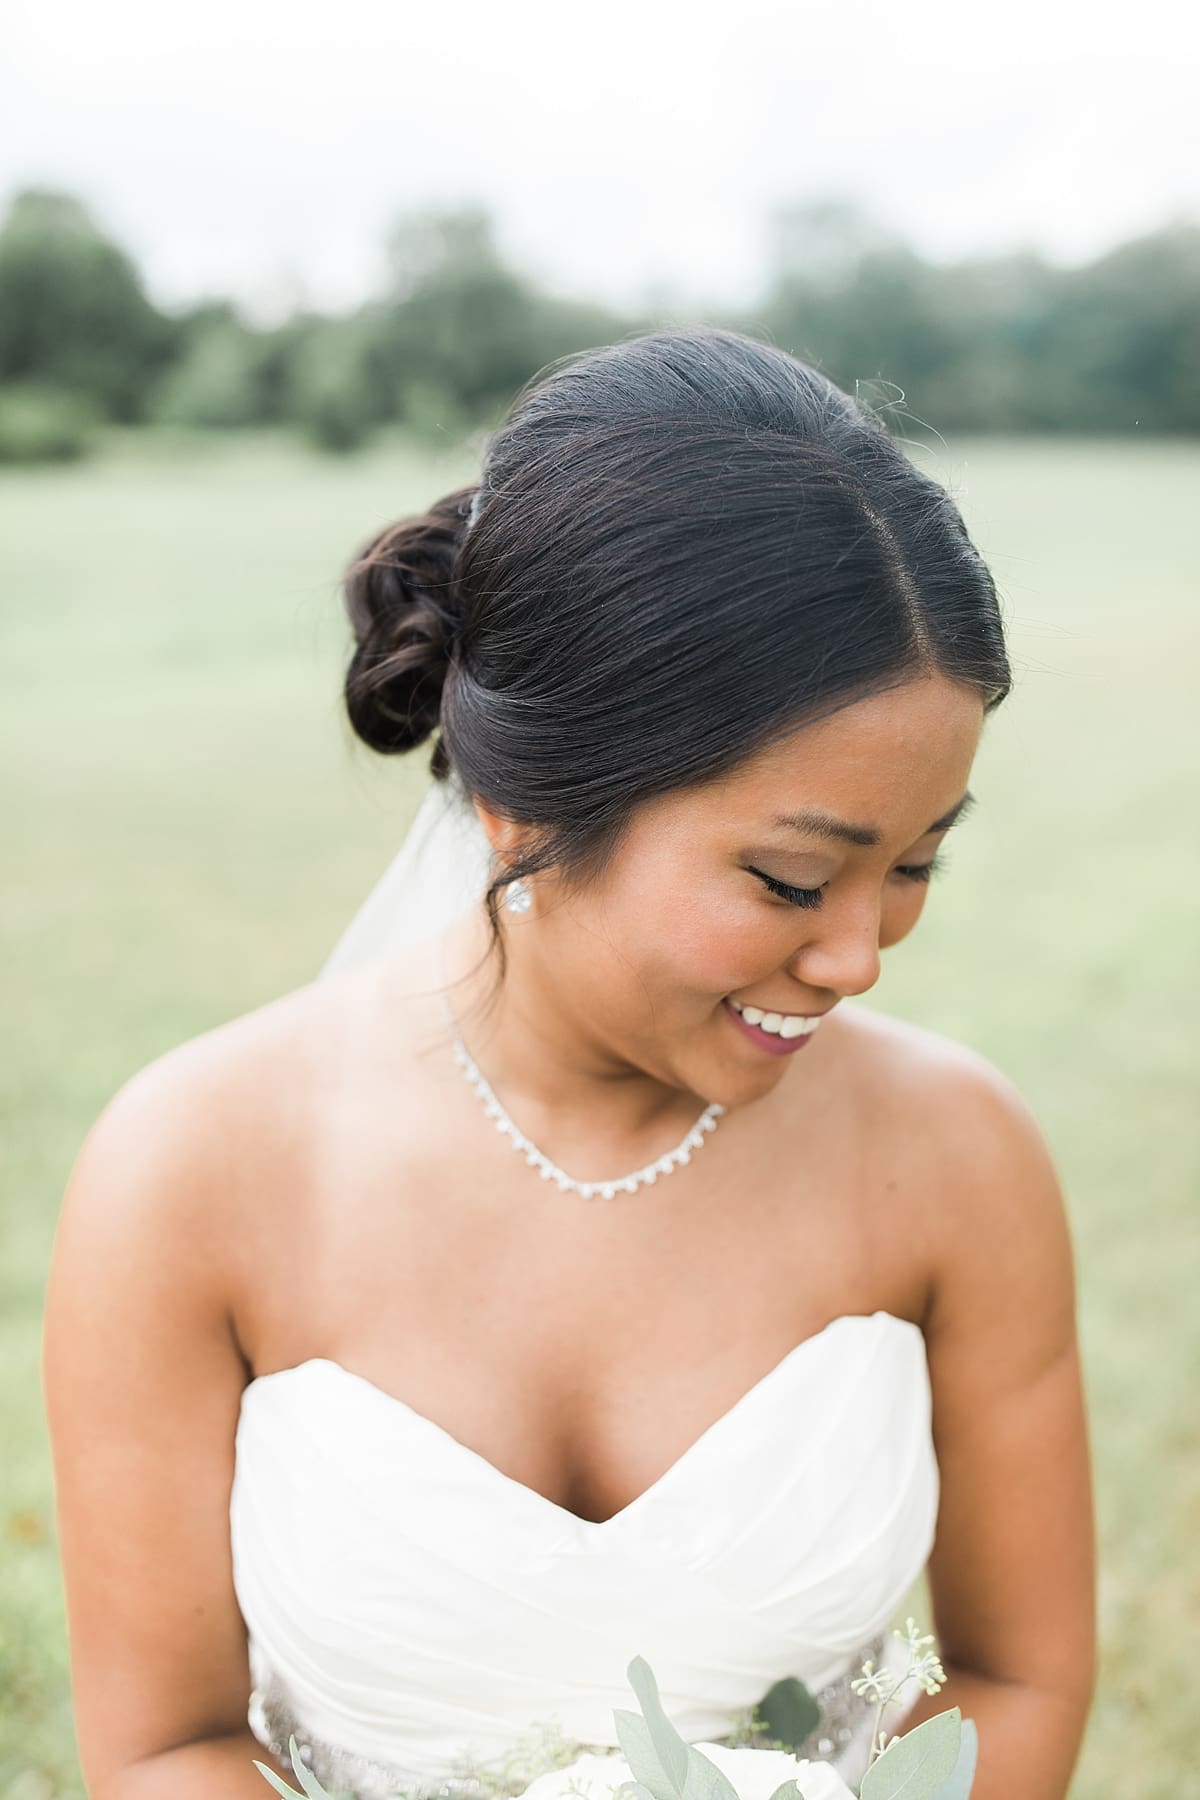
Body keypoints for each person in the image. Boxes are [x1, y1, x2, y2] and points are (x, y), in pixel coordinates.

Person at [42, 327, 1096, 1800]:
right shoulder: (191, 1171)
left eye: (917, 861)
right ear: (526, 812)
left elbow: (1018, 1675)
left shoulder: (957, 1156)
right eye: (794, 882)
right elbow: (164, 1745)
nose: (861, 957)